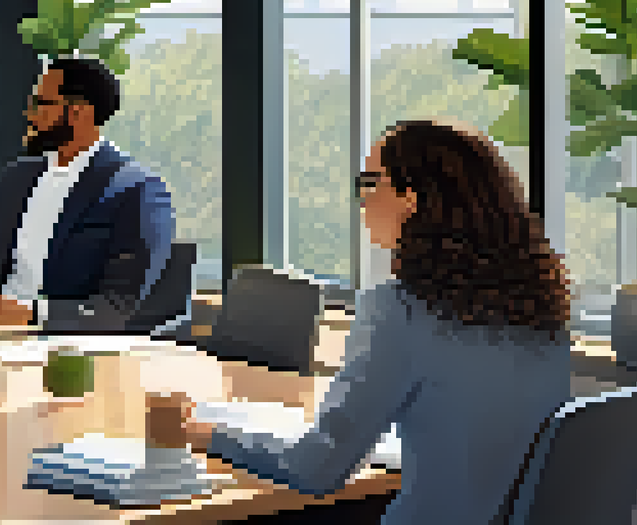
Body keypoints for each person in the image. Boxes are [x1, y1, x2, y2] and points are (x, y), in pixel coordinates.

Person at [159, 120, 574, 525]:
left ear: (410, 197)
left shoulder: (399, 309)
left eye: (369, 181)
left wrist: (207, 434)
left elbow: (316, 468)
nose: (361, 198)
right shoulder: (542, 310)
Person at [0, 56, 179, 331]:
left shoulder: (137, 190)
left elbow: (118, 307)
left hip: (66, 350)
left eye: (42, 104)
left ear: (78, 112)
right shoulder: (17, 177)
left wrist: (32, 314)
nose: (30, 114)